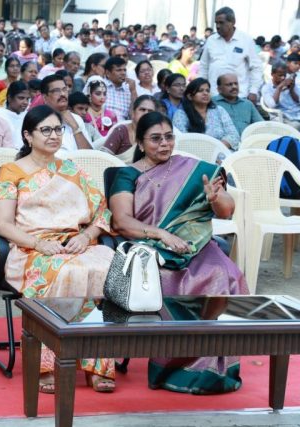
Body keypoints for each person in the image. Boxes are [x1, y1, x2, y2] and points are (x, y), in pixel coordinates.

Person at [108, 111, 248, 394]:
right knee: (167, 280)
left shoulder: (195, 170)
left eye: (169, 137)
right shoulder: (128, 174)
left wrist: (215, 198)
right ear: (140, 142)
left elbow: (227, 210)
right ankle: (172, 365)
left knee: (226, 275)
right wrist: (162, 235)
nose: (164, 144)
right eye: (155, 139)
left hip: (195, 245)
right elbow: (121, 221)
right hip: (151, 248)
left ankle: (211, 360)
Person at [0, 104, 115, 394]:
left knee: (110, 267)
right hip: (31, 247)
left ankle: (97, 364)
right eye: (45, 130)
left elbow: (102, 211)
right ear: (28, 135)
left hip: (75, 242)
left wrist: (86, 236)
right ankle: (46, 364)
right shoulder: (11, 172)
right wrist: (38, 243)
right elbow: (3, 224)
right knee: (63, 271)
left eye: (58, 129)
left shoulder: (71, 170)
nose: (53, 135)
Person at [198, 6, 263, 100]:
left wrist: (253, 91)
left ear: (232, 22)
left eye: (221, 22)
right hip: (214, 96)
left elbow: (256, 67)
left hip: (239, 97)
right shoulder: (211, 40)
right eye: (216, 23)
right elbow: (204, 66)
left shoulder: (246, 40)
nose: (218, 26)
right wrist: (202, 89)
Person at [173, 78, 240, 150]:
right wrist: (207, 151)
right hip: (194, 153)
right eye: (200, 91)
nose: (205, 93)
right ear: (190, 96)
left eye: (207, 91)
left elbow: (233, 134)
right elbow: (181, 140)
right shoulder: (181, 114)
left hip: (222, 151)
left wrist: (217, 148)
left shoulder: (219, 110)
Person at [42, 74, 95, 150]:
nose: (63, 94)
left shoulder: (76, 119)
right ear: (45, 98)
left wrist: (75, 127)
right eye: (57, 91)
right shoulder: (38, 120)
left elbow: (89, 154)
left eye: (64, 89)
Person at [101, 95, 159, 163]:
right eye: (142, 110)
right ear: (133, 112)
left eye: (150, 111)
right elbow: (103, 159)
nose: (146, 114)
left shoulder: (157, 136)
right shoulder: (121, 131)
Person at [0, 80, 30, 148]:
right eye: (21, 98)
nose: (25, 102)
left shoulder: (28, 116)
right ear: (9, 98)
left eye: (27, 99)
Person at [262, 61, 300, 129]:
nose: (283, 78)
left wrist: (292, 90)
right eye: (280, 75)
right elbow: (272, 105)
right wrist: (279, 88)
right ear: (272, 74)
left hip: (297, 114)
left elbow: (298, 100)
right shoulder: (266, 88)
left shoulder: (289, 83)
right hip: (283, 118)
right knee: (296, 125)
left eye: (284, 75)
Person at [103, 56, 137, 121]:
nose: (123, 73)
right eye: (119, 70)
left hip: (123, 125)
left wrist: (133, 91)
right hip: (102, 123)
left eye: (124, 70)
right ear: (108, 73)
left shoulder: (129, 89)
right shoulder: (100, 85)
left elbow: (133, 116)